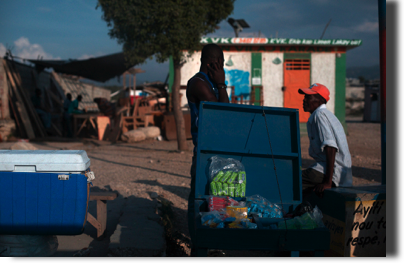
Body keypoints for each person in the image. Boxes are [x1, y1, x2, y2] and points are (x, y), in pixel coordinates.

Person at [186, 44, 230, 255]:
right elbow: (221, 114)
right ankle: (198, 245)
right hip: (203, 151)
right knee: (198, 199)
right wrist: (222, 85)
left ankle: (211, 243)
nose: (222, 68)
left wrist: (220, 85)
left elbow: (227, 113)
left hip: (215, 150)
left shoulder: (210, 84)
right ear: (214, 63)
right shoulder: (198, 83)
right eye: (221, 64)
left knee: (216, 198)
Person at [298, 83, 353, 199]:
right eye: (304, 97)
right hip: (337, 172)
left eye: (308, 97)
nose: (304, 100)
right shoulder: (324, 115)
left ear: (320, 100)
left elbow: (331, 147)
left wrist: (328, 182)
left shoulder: (320, 115)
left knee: (291, 181)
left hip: (333, 173)